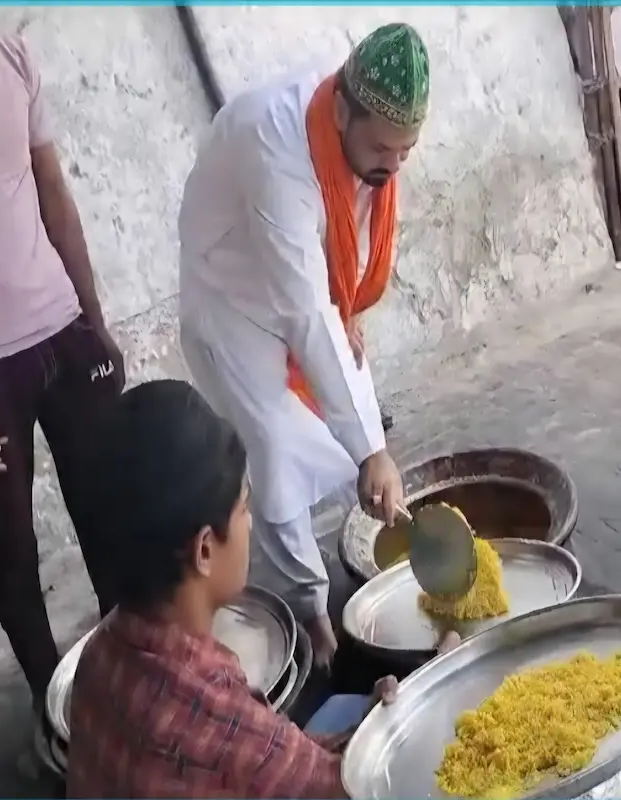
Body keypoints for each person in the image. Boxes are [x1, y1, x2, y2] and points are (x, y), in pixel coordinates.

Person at [177, 23, 430, 667]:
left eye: (406, 152)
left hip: (299, 283)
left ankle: (373, 540)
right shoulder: (275, 144)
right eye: (382, 148)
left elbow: (348, 234)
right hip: (233, 294)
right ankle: (313, 615)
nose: (392, 165)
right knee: (274, 448)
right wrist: (373, 449)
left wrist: (342, 301)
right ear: (342, 110)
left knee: (352, 405)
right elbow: (304, 312)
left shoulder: (360, 133)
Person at [66, 379, 448, 798]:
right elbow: (349, 789)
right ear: (205, 550)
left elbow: (284, 765)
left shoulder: (99, 654)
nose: (249, 525)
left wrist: (366, 726)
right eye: (244, 508)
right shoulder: (217, 717)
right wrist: (434, 689)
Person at [0, 9, 125, 712]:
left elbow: (54, 195)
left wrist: (94, 320)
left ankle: (135, 678)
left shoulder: (12, 58)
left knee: (112, 510)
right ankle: (49, 707)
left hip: (61, 328)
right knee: (12, 550)